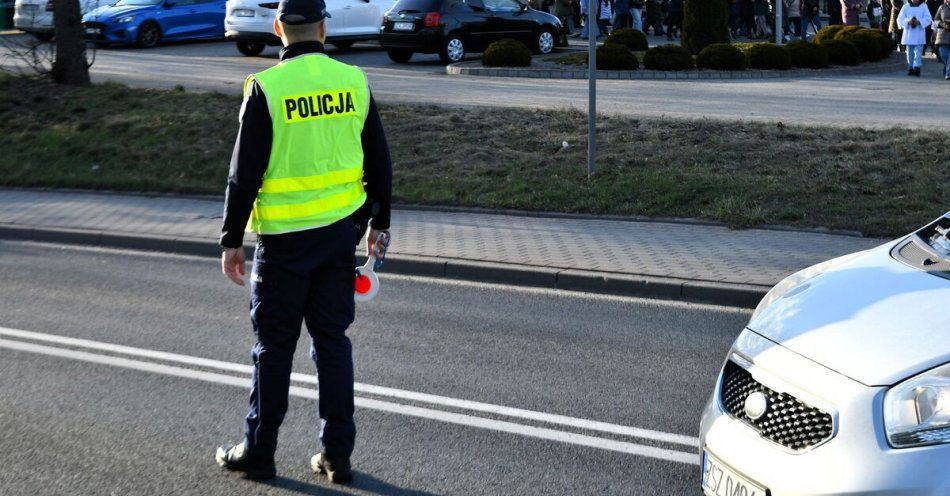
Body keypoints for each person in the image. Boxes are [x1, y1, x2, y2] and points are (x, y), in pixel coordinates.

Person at [215, 0, 393, 484]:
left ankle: (259, 452)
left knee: (273, 349)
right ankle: (337, 455)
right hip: (339, 238)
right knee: (332, 343)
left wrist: (231, 239)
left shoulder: (267, 87)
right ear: (323, 28)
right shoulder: (353, 80)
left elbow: (243, 173)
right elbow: (378, 159)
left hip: (284, 244)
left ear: (278, 29)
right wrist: (380, 224)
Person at [898, 0, 933, 75]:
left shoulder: (924, 6)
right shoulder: (906, 7)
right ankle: (910, 67)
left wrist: (919, 22)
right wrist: (908, 21)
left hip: (919, 32)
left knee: (918, 51)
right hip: (909, 33)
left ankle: (917, 67)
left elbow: (928, 18)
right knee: (909, 51)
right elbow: (900, 19)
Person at [933, 0, 950, 77]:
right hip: (943, 35)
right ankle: (947, 66)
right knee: (943, 54)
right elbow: (936, 21)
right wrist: (943, 24)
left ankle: (948, 73)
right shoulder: (942, 7)